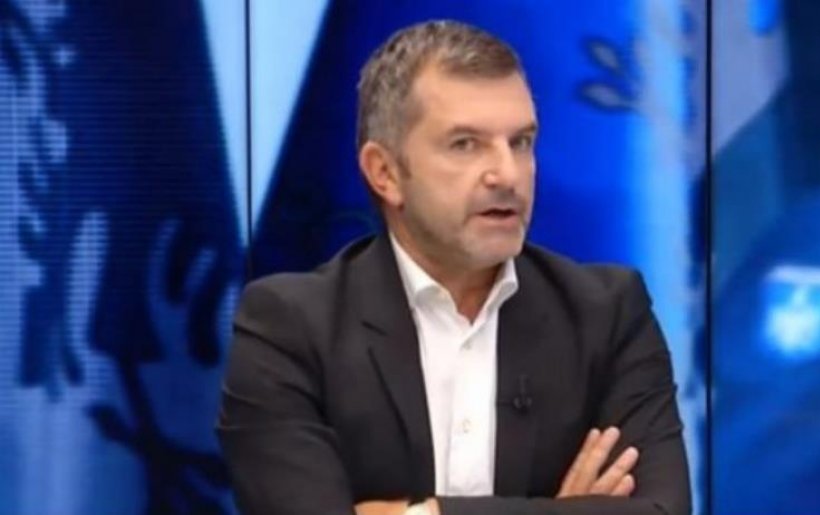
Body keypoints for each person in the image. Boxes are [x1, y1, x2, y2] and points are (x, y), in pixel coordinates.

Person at [216, 20, 690, 515]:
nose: (507, 174)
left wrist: (424, 514)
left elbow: (663, 512)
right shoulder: (289, 327)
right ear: (385, 172)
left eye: (521, 142)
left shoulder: (606, 315)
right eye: (465, 144)